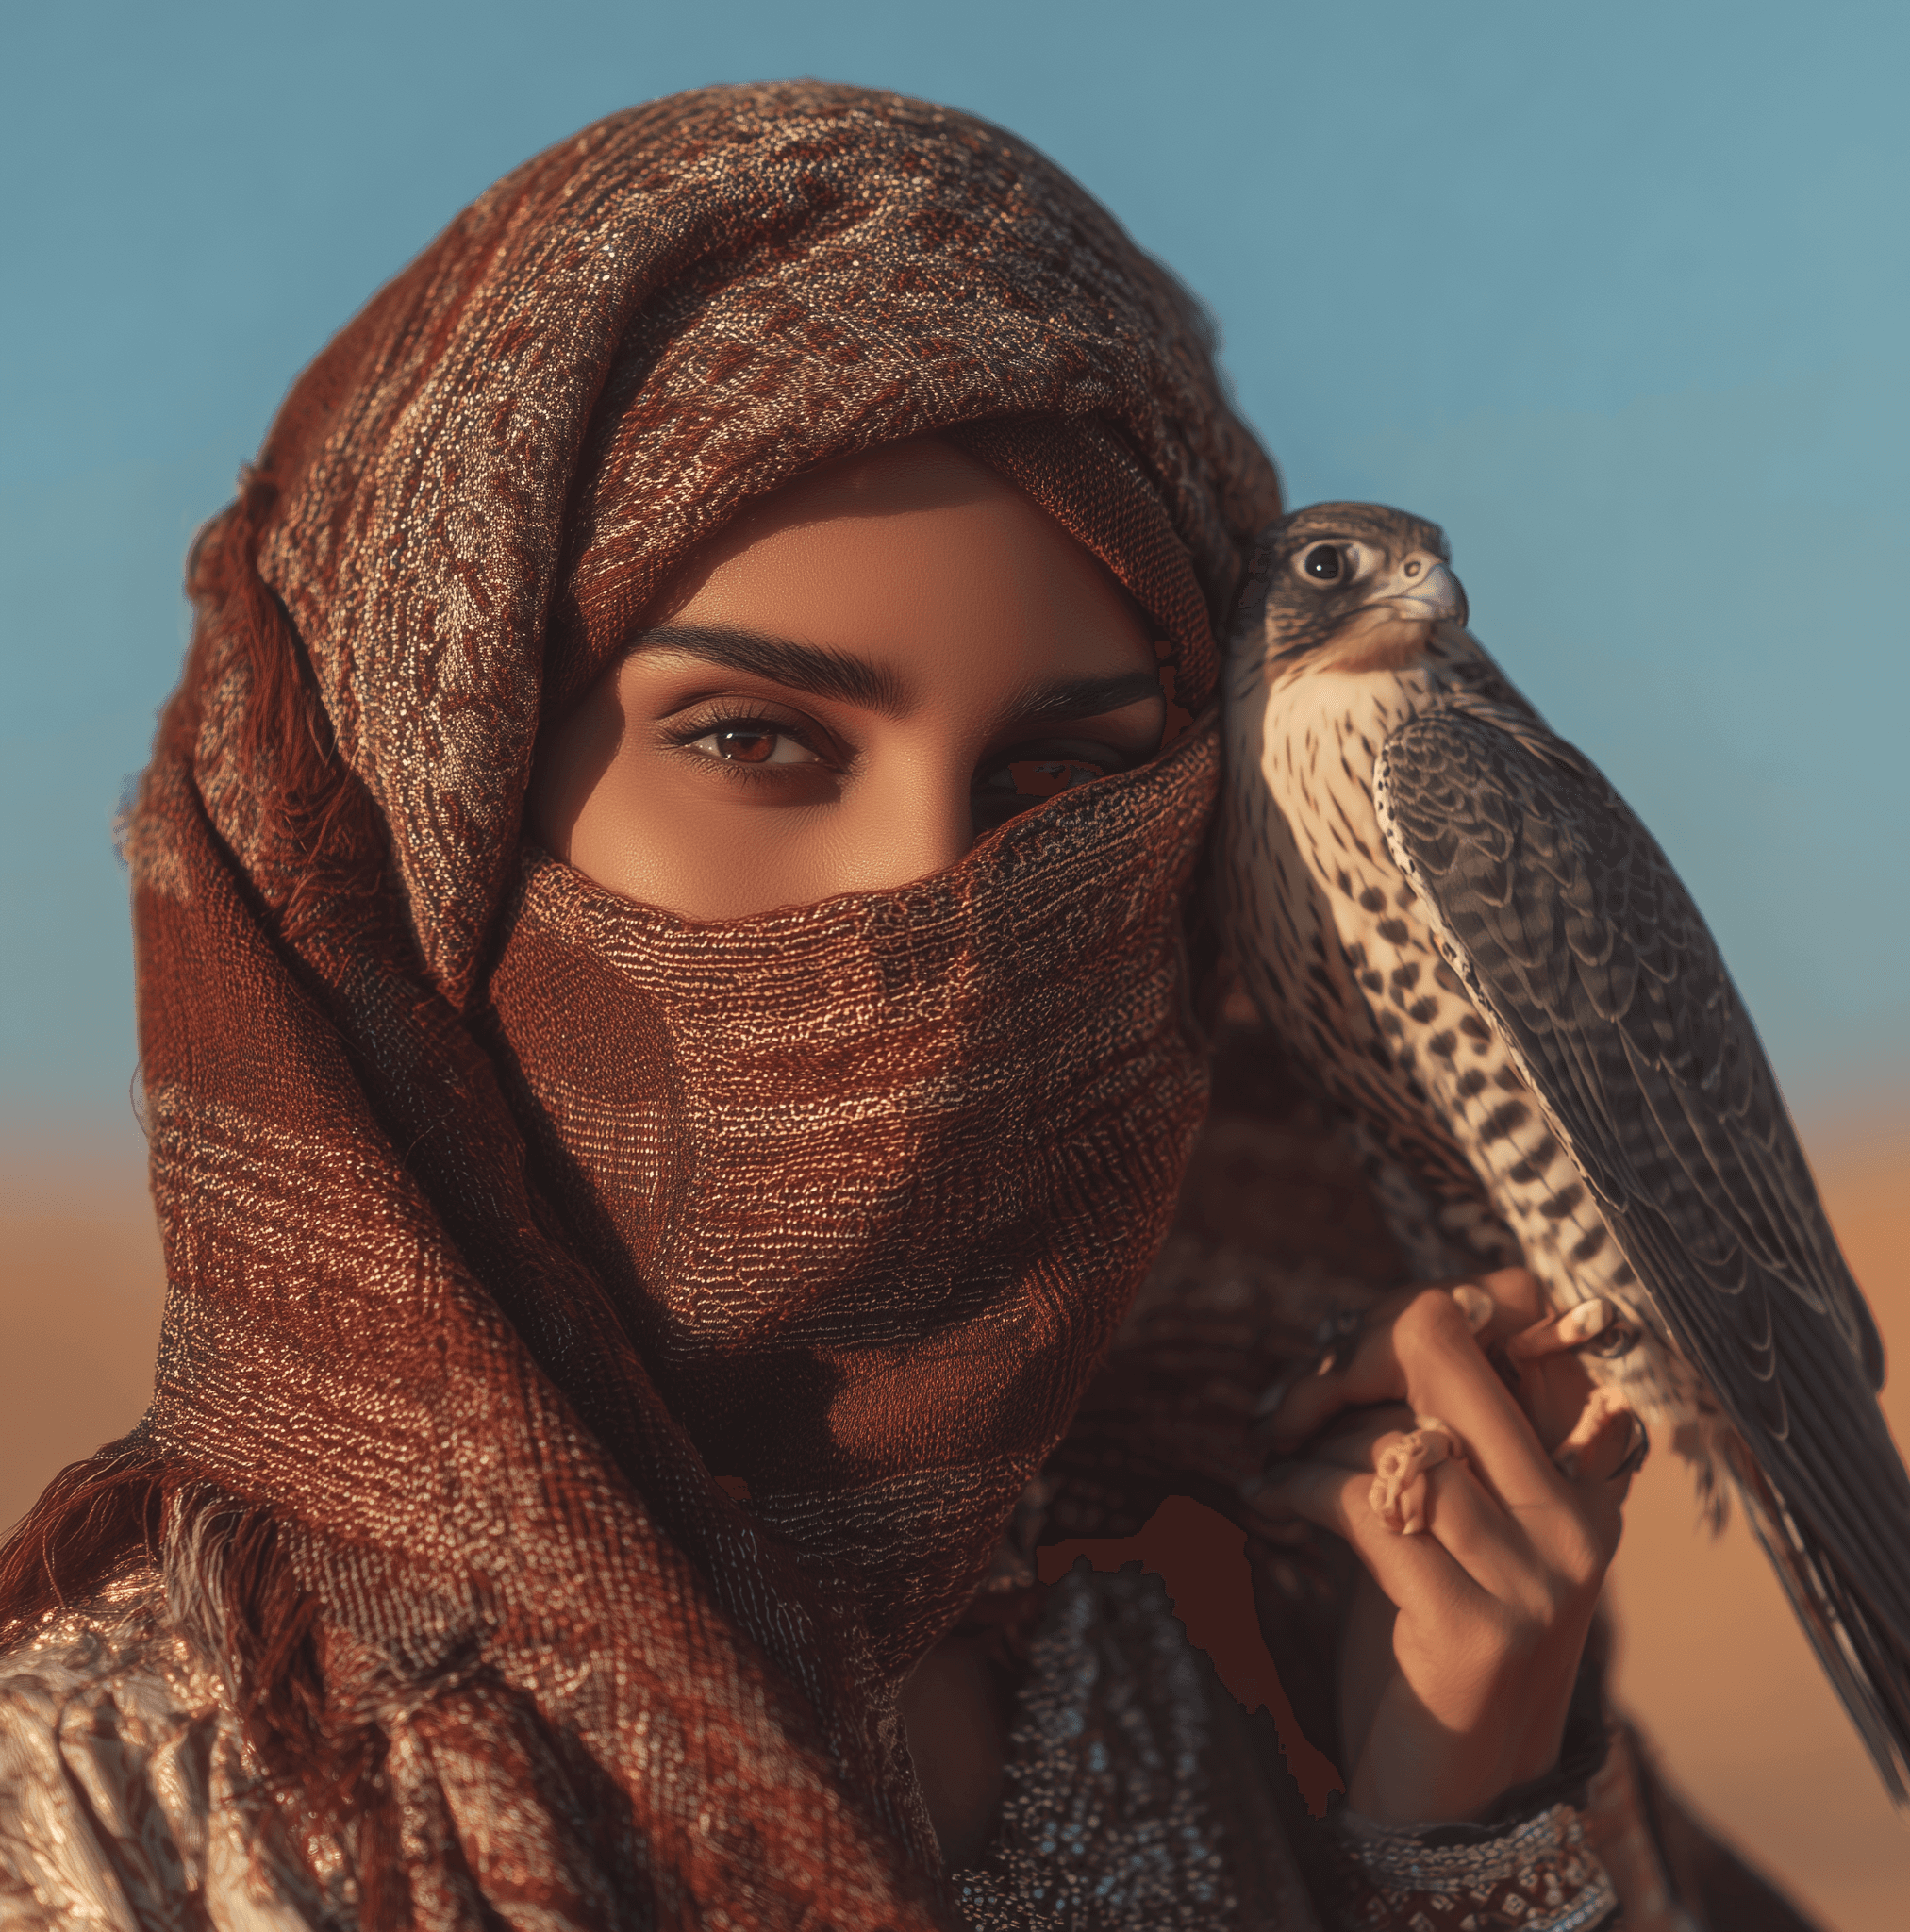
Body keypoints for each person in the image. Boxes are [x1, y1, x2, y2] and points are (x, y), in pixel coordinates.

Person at [0, 83, 1813, 1930]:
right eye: (757, 740)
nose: (926, 893)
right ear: (428, 809)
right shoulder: (124, 1790)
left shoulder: (1261, 1652)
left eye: (1053, 783)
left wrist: (1471, 1832)